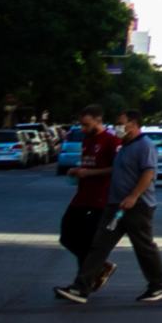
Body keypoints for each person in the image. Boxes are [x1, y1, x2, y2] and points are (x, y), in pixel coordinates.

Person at [59, 106, 162, 306]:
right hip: (116, 207)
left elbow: (148, 174)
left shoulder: (145, 146)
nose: (117, 127)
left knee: (144, 247)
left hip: (137, 206)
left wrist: (134, 196)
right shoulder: (125, 146)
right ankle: (81, 287)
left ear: (133, 124)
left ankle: (159, 285)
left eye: (121, 123)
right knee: (99, 246)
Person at [55, 108, 123, 296]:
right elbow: (90, 163)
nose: (83, 129)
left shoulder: (111, 141)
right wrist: (77, 170)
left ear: (98, 120)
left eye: (86, 124)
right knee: (67, 235)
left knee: (87, 240)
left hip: (100, 199)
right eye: (81, 125)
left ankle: (82, 283)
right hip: (82, 196)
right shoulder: (87, 140)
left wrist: (90, 173)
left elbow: (117, 168)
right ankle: (98, 268)